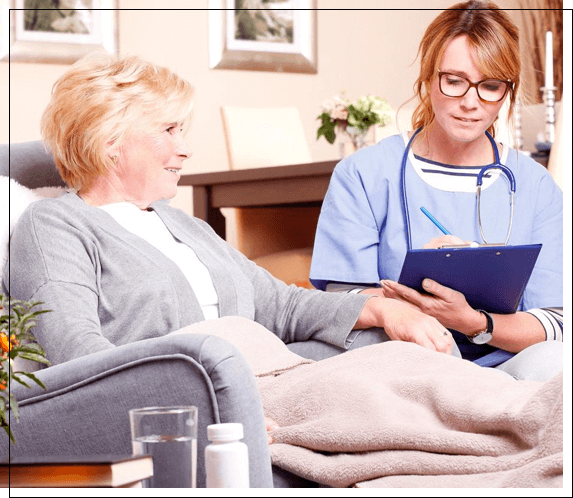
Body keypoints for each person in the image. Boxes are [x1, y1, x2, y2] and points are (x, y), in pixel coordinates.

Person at [4, 53, 457, 374]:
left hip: (270, 370)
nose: (186, 148)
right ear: (109, 141)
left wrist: (383, 310)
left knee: (398, 346)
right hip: (202, 392)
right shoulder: (54, 227)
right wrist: (202, 405)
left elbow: (282, 304)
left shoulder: (181, 224)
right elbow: (78, 352)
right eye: (169, 129)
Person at [309, 1, 563, 381]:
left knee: (554, 365)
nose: (471, 102)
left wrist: (477, 322)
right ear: (428, 78)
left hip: (505, 362)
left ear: (506, 92)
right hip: (401, 357)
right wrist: (413, 309)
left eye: (490, 86)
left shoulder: (536, 185)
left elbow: (553, 322)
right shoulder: (362, 174)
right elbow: (341, 303)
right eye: (455, 80)